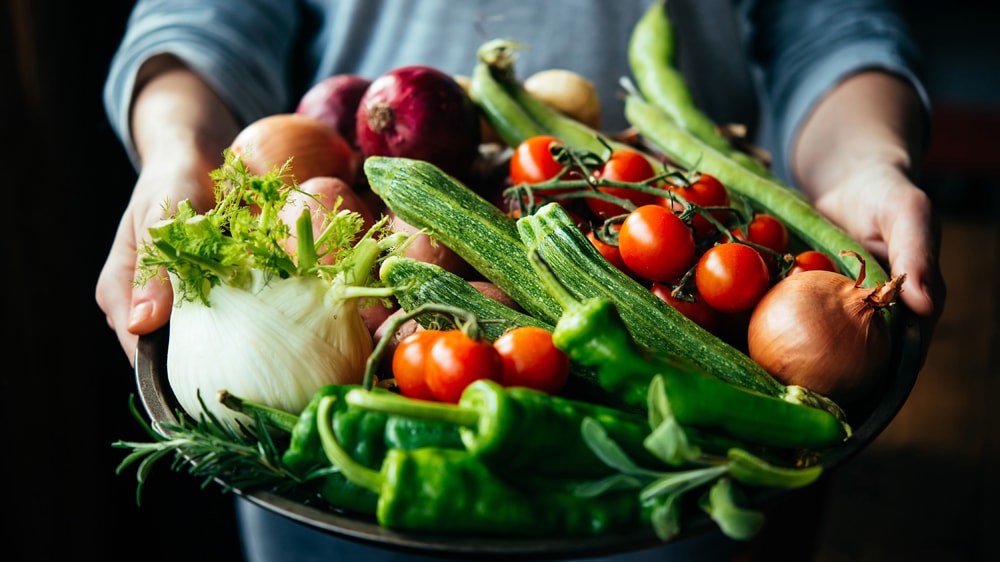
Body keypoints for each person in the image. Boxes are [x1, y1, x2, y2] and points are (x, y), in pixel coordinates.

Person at [97, 0, 945, 560]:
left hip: (687, 503)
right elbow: (204, 16)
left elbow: (830, 24)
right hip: (344, 479)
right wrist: (179, 153)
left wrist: (867, 160)